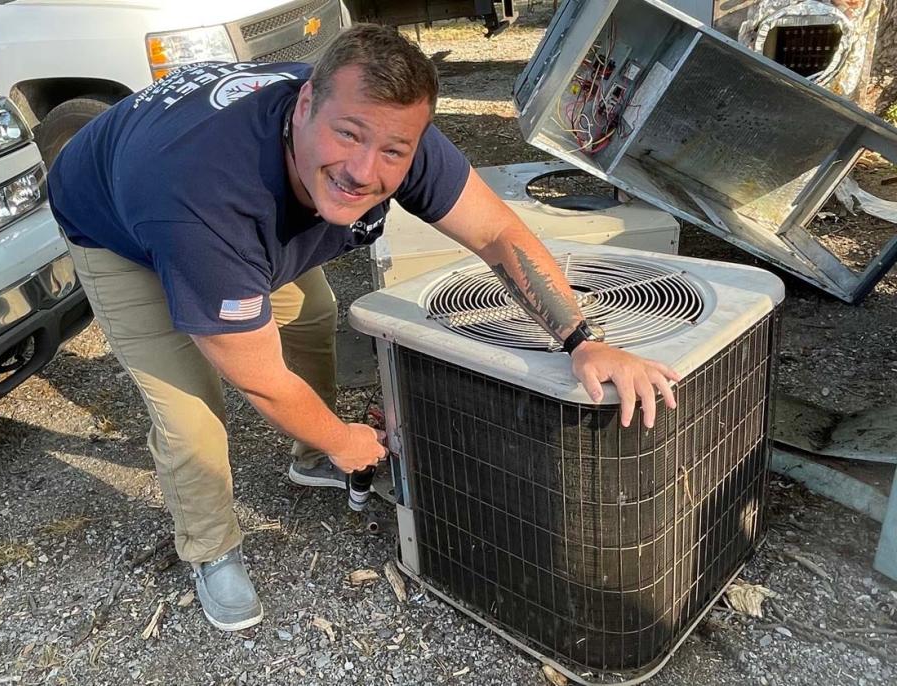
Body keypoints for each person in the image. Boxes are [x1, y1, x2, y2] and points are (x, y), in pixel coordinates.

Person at [47, 24, 680, 632]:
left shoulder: (390, 130)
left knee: (314, 317)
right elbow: (261, 381)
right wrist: (344, 437)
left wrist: (582, 340)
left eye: (393, 153)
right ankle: (211, 549)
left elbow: (497, 234)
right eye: (347, 136)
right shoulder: (202, 207)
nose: (364, 172)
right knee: (191, 410)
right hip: (113, 220)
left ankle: (308, 458)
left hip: (233, 201)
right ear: (302, 109)